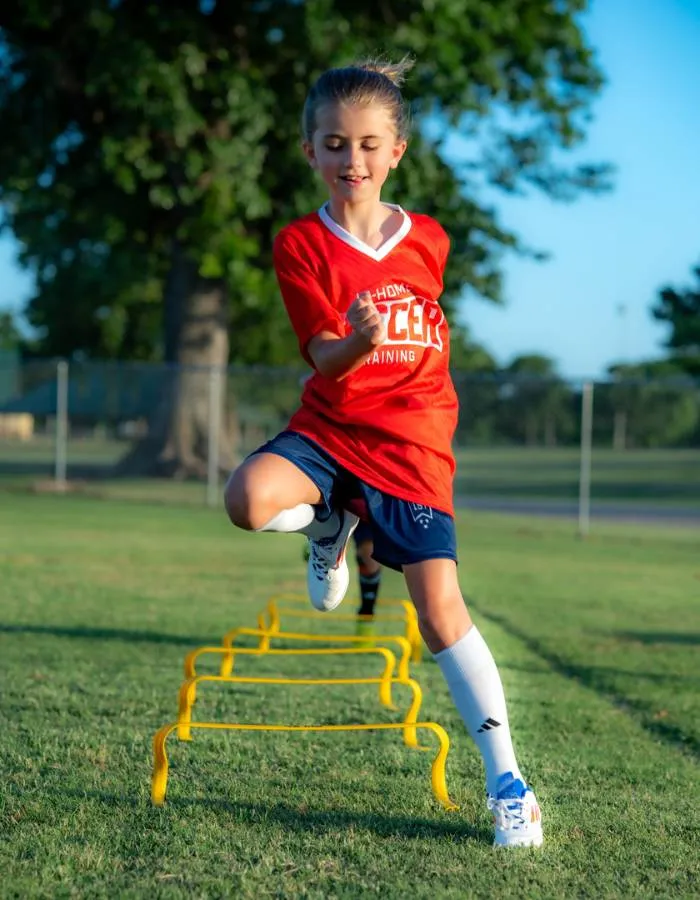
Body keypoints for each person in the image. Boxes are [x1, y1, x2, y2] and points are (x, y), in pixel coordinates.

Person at [224, 57, 543, 848]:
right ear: (310, 152)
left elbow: (428, 334)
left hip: (413, 445)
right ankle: (326, 523)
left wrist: (402, 362)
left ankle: (510, 783)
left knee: (438, 613)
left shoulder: (428, 238)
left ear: (396, 152)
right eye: (334, 144)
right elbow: (323, 358)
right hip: (334, 427)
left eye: (368, 145)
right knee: (247, 500)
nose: (352, 161)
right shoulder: (301, 243)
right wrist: (360, 342)